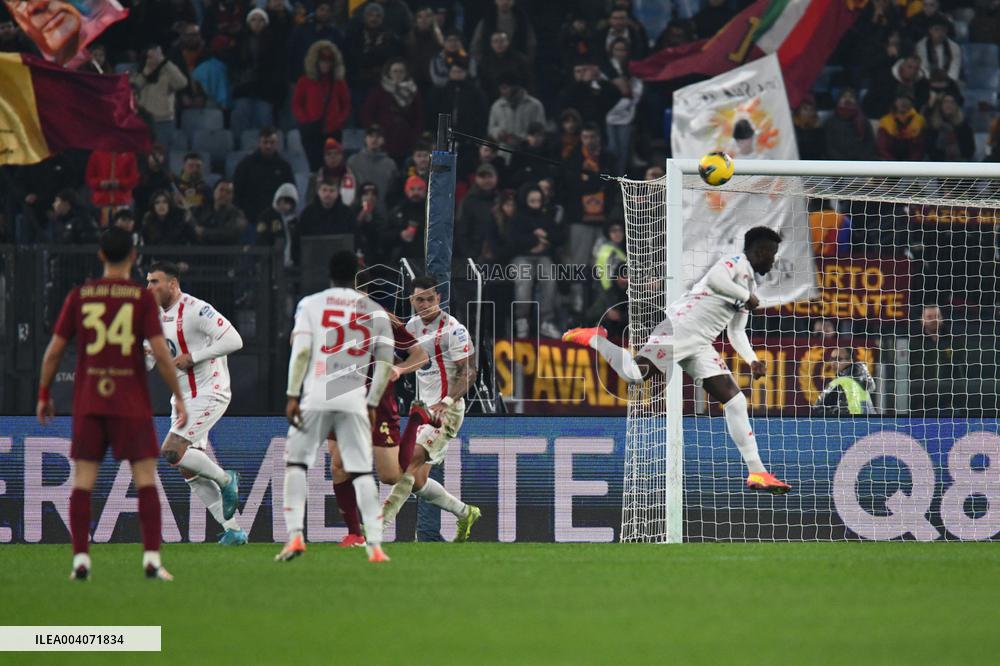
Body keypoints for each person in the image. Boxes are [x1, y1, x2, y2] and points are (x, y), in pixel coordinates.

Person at [563, 227, 793, 494]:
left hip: (700, 344)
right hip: (679, 328)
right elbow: (717, 280)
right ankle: (595, 338)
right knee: (635, 375)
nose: (773, 261)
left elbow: (736, 331)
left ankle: (758, 472)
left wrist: (752, 360)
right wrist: (745, 297)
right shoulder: (734, 263)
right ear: (761, 251)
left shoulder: (750, 285)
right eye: (772, 254)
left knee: (735, 400)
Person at [37, 227, 186, 581]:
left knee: (83, 481)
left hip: (90, 401)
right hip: (129, 401)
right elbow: (162, 354)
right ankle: (151, 559)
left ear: (101, 255)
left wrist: (44, 393)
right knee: (146, 479)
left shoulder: (81, 295)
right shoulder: (138, 297)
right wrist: (179, 396)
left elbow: (55, 351)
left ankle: (80, 562)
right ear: (133, 257)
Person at [279, 251, 394, 563]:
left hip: (318, 392)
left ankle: (295, 538)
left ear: (328, 272)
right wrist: (372, 402)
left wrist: (292, 394)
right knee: (359, 470)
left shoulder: (311, 303)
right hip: (354, 394)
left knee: (297, 464)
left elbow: (300, 351)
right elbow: (385, 363)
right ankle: (375, 545)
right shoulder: (375, 310)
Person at [144, 261, 245, 545]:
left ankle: (227, 480)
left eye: (155, 282)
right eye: (148, 281)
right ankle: (233, 530)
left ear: (173, 284)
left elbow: (235, 340)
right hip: (182, 398)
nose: (149, 287)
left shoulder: (197, 309)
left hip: (210, 390)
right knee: (188, 467)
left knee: (172, 451)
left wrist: (196, 356)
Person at [380, 276, 482, 541]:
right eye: (419, 299)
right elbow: (402, 360)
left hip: (445, 412)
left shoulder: (453, 330)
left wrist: (445, 402)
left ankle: (376, 530)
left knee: (405, 465)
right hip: (422, 411)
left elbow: (469, 371)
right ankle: (465, 512)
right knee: (418, 480)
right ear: (411, 301)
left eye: (430, 299)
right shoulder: (411, 326)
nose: (424, 304)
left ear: (439, 299)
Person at [328, 304, 428, 547]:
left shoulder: (381, 318)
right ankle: (355, 534)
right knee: (339, 466)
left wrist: (399, 368)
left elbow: (421, 355)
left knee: (391, 476)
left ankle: (416, 418)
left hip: (378, 405)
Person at [508, 183, 561, 339]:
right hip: (521, 257)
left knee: (550, 279)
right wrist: (535, 240)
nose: (536, 204)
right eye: (532, 201)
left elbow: (558, 236)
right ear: (525, 200)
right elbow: (513, 241)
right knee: (524, 280)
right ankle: (522, 320)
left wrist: (544, 238)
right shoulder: (517, 218)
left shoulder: (546, 217)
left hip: (543, 256)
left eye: (538, 201)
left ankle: (546, 321)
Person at [292, 40, 351, 171]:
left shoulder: (338, 82)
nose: (326, 64)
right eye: (322, 61)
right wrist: (306, 120)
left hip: (333, 130)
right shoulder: (305, 81)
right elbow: (297, 104)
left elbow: (346, 104)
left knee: (333, 167)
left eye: (329, 61)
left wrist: (338, 121)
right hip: (311, 131)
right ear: (315, 62)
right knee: (315, 166)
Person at [359, 59, 424, 161]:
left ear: (406, 73)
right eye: (395, 71)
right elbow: (367, 113)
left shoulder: (413, 91)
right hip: (384, 138)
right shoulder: (379, 91)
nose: (398, 74)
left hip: (406, 139)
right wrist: (374, 131)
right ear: (389, 73)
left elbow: (419, 116)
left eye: (401, 71)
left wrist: (415, 135)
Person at [232, 127, 294, 222]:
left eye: (272, 142)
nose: (268, 146)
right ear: (259, 143)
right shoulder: (245, 165)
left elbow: (291, 192)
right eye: (265, 142)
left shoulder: (284, 167)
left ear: (276, 144)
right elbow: (236, 192)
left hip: (277, 219)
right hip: (251, 219)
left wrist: (287, 206)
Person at [130, 44, 187, 147]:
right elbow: (132, 90)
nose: (155, 59)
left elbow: (182, 83)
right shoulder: (136, 72)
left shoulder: (168, 71)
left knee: (161, 155)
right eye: (151, 56)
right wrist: (144, 75)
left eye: (158, 55)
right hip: (141, 120)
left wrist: (166, 63)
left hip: (163, 121)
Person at [487, 74, 546, 150]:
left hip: (527, 152)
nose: (502, 92)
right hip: (504, 152)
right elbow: (491, 128)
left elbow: (540, 131)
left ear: (516, 87)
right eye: (501, 88)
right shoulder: (496, 106)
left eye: (505, 88)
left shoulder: (535, 105)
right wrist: (498, 133)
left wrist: (522, 139)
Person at [812, 347, 877, 416]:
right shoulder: (864, 381)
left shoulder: (839, 382)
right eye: (832, 359)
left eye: (838, 359)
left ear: (850, 360)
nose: (833, 363)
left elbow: (817, 409)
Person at [346, 125, 399, 210]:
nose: (374, 140)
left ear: (383, 140)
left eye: (378, 137)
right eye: (371, 136)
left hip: (382, 213)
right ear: (365, 138)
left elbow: (393, 193)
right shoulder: (353, 161)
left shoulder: (390, 164)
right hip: (357, 212)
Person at [85, 150, 139, 224]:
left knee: (122, 233)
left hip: (122, 202)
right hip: (101, 202)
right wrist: (100, 183)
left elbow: (133, 180)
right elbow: (89, 178)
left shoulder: (130, 155)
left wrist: (119, 183)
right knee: (102, 232)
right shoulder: (96, 154)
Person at [824, 89, 878, 161]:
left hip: (860, 164)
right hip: (836, 164)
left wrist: (859, 161)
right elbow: (828, 146)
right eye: (844, 97)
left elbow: (869, 144)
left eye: (851, 97)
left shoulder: (863, 121)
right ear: (838, 101)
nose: (847, 99)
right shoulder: (830, 122)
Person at [925, 94, 975, 162]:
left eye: (952, 102)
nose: (948, 105)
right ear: (940, 105)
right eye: (945, 102)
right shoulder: (933, 126)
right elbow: (929, 150)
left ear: (956, 106)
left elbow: (970, 150)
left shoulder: (964, 126)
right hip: (937, 165)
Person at [877, 92, 926, 161]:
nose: (903, 102)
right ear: (894, 101)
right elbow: (882, 148)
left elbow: (919, 149)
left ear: (912, 102)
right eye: (900, 98)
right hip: (890, 164)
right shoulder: (885, 121)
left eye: (907, 99)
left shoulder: (919, 121)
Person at [196, 180, 247, 245]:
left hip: (226, 253)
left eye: (228, 192)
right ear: (214, 192)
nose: (224, 194)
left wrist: (204, 232)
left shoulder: (238, 214)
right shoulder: (201, 210)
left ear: (232, 196)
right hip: (200, 252)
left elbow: (230, 234)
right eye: (221, 190)